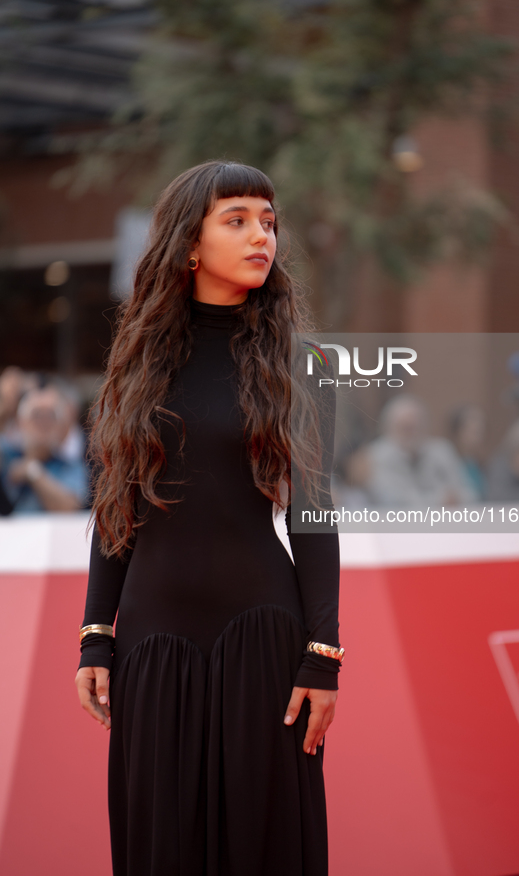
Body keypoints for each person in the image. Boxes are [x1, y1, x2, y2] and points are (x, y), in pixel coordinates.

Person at [74, 161, 343, 876]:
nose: (262, 235)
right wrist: (96, 635)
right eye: (238, 219)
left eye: (269, 221)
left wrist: (324, 655)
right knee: (162, 844)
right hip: (153, 644)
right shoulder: (133, 364)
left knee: (264, 847)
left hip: (263, 637)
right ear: (189, 244)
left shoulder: (302, 363)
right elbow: (115, 509)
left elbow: (315, 514)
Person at [363, 393, 475, 509]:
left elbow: (469, 492)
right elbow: (391, 499)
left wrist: (456, 497)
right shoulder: (376, 456)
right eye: (405, 428)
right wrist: (439, 500)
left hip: (445, 523)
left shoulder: (441, 451)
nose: (410, 434)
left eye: (415, 427)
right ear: (390, 428)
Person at [0, 385, 89, 513]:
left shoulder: (70, 465)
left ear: (61, 425)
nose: (43, 422)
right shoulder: (6, 455)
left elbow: (71, 508)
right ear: (20, 421)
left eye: (50, 416)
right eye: (36, 415)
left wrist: (33, 471)